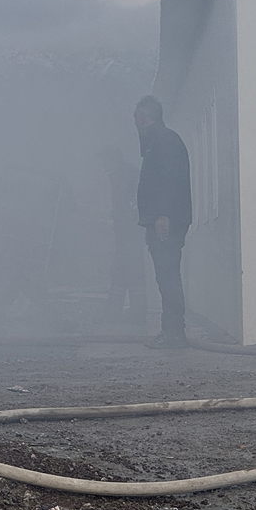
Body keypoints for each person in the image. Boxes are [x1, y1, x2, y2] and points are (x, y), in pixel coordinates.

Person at [134, 95, 191, 348]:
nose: (137, 127)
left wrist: (162, 215)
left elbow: (170, 180)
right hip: (163, 218)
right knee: (165, 275)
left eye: (138, 121)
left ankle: (174, 334)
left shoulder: (164, 142)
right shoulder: (161, 142)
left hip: (165, 220)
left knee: (168, 275)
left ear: (145, 119)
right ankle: (171, 331)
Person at [98, 145, 146, 327]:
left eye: (104, 160)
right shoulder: (120, 174)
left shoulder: (125, 175)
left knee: (126, 269)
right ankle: (129, 312)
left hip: (130, 230)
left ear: (112, 159)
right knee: (127, 270)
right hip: (126, 229)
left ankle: (122, 314)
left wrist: (124, 219)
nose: (102, 165)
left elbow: (133, 201)